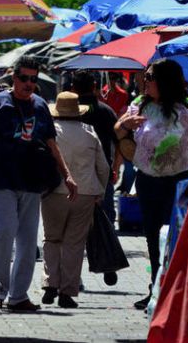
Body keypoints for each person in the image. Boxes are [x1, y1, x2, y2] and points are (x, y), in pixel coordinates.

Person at [0, 56, 77, 311]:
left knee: (28, 240)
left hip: (32, 181)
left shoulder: (40, 105)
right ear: (14, 77)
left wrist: (67, 174)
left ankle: (19, 296)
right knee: (4, 233)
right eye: (24, 78)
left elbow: (52, 143)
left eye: (33, 79)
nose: (28, 84)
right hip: (2, 179)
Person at [115, 59, 188, 310]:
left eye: (149, 77)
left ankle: (177, 291)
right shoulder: (139, 104)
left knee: (177, 237)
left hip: (181, 182)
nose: (143, 81)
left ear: (165, 81)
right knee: (152, 236)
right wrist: (125, 125)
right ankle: (155, 289)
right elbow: (117, 131)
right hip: (148, 182)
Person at [41, 92, 111, 309]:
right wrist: (100, 191)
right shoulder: (89, 132)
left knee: (52, 239)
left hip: (54, 192)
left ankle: (51, 283)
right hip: (85, 193)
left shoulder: (50, 132)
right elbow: (103, 167)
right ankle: (67, 291)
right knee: (74, 243)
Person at [71, 70, 123, 285]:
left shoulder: (67, 112)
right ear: (94, 87)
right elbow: (120, 142)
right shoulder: (106, 111)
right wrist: (115, 168)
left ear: (73, 88)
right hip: (102, 176)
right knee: (104, 222)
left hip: (73, 176)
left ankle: (73, 276)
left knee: (73, 227)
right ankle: (107, 262)